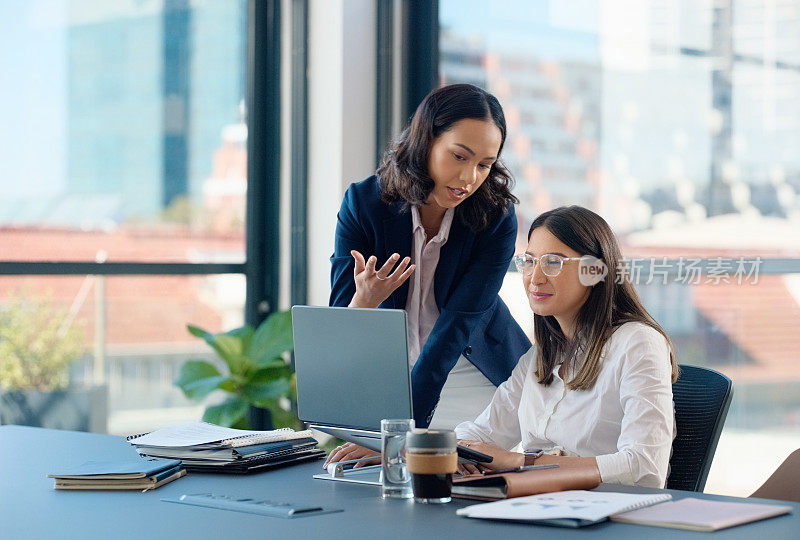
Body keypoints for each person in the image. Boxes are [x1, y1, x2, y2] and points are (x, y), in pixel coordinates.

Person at [324, 84, 531, 468]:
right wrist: (365, 299)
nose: (469, 177)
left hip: (475, 376)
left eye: (484, 164)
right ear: (425, 142)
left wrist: (400, 436)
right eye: (459, 156)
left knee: (468, 498)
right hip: (393, 379)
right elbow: (340, 321)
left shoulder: (496, 219)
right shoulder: (364, 204)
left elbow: (454, 329)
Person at [456, 205, 679, 488]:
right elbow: (482, 433)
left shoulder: (638, 343)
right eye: (529, 261)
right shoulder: (541, 355)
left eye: (552, 262)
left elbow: (644, 467)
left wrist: (521, 463)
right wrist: (458, 450)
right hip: (540, 503)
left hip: (606, 516)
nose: (534, 278)